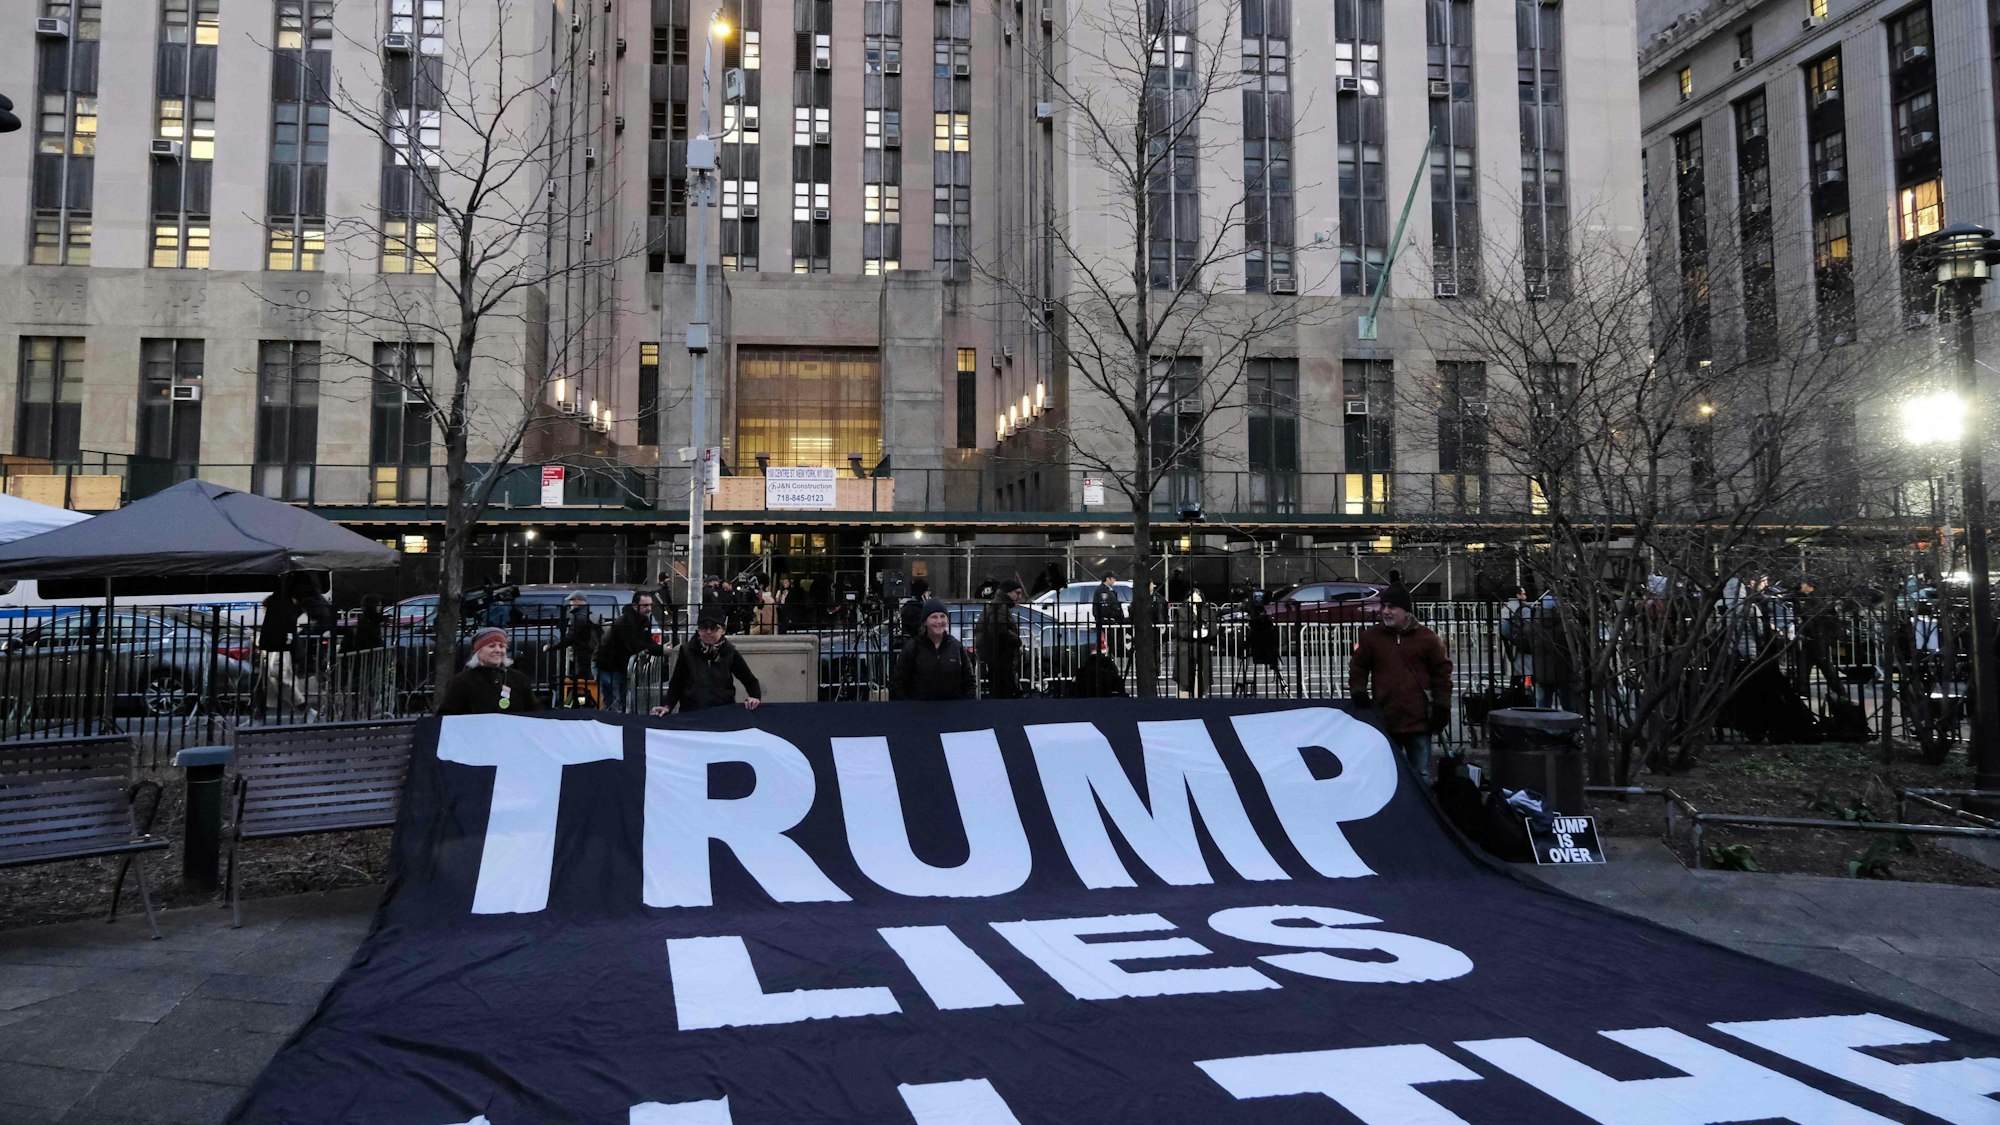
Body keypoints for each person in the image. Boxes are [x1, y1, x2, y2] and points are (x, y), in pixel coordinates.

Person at [1348, 586, 1453, 781]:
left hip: (1418, 720)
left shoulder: (1427, 639)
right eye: (1383, 606)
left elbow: (1442, 674)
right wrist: (1358, 690)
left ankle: (1420, 812)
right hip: (1385, 717)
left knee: (1420, 775)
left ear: (1406, 611)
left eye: (1392, 607)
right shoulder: (1372, 637)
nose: (1385, 611)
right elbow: (1358, 666)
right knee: (1386, 775)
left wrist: (1441, 705)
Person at [654, 608, 763, 714]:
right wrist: (666, 706)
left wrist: (755, 697)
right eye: (703, 628)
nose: (708, 632)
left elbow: (749, 679)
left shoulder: (729, 651)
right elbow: (677, 683)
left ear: (723, 630)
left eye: (714, 628)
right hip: (692, 712)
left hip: (723, 712)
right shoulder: (687, 651)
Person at [437, 626, 541, 715]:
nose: (498, 650)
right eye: (492, 646)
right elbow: (447, 716)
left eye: (502, 646)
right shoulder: (461, 681)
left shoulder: (518, 678)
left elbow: (533, 712)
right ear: (478, 651)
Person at [594, 590, 667, 711]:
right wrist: (660, 649)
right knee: (614, 703)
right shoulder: (626, 622)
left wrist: (659, 648)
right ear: (634, 606)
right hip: (608, 666)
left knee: (619, 702)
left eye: (650, 605)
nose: (649, 608)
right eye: (645, 605)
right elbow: (634, 644)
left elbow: (645, 641)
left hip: (618, 666)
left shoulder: (641, 620)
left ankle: (616, 723)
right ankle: (614, 724)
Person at [893, 598, 976, 700]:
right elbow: (898, 682)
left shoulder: (957, 647)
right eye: (934, 617)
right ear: (925, 622)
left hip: (953, 711)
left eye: (942, 616)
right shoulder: (912, 648)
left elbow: (969, 681)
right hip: (920, 711)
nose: (939, 621)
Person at [543, 591, 603, 708]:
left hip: (581, 656)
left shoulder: (577, 617)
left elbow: (570, 638)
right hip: (593, 655)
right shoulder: (593, 616)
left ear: (577, 601)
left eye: (571, 601)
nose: (570, 603)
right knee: (583, 684)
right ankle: (576, 705)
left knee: (579, 684)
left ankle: (573, 706)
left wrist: (552, 647)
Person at [975, 578, 1026, 698]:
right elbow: (998, 630)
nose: (1019, 597)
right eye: (1017, 593)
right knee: (1003, 690)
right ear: (1008, 592)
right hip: (999, 656)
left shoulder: (998, 605)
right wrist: (1016, 640)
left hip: (996, 655)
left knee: (1001, 689)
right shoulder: (1000, 607)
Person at [1174, 586, 1215, 698]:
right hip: (1186, 649)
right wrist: (1192, 633)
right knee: (1185, 681)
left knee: (1202, 680)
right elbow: (1178, 630)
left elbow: (1214, 629)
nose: (1196, 605)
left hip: (1203, 649)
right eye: (1193, 602)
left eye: (1198, 602)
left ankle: (1201, 698)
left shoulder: (1208, 612)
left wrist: (1206, 633)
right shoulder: (1181, 612)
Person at [1092, 572, 1126, 659]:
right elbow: (1104, 608)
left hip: (1112, 620)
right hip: (1106, 621)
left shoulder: (1110, 590)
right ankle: (1108, 658)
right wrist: (1114, 615)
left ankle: (1111, 655)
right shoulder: (1102, 591)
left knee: (1113, 642)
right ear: (1107, 579)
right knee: (1108, 642)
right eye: (1113, 578)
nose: (1115, 580)